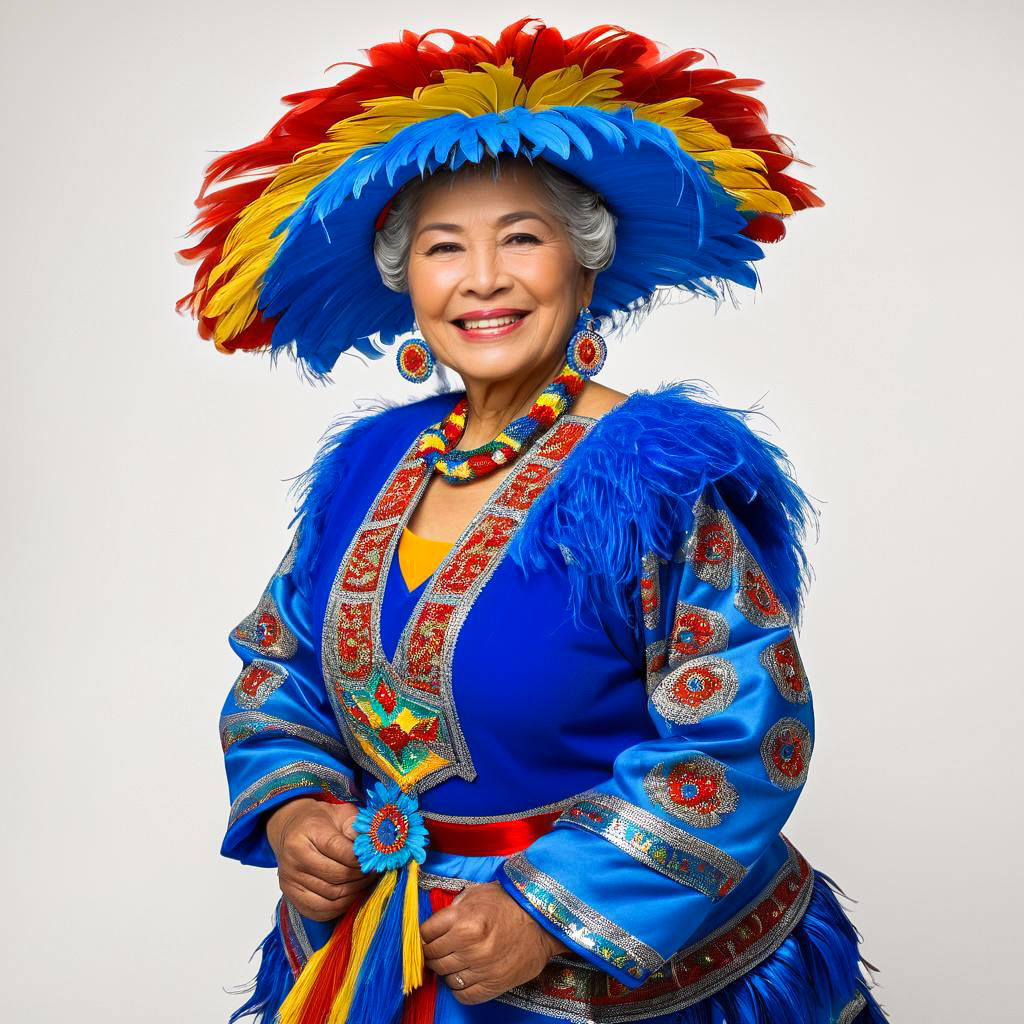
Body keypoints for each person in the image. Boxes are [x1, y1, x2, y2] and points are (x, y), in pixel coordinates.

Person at [179, 18, 887, 1024]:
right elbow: (279, 661)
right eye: (442, 246)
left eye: (521, 236)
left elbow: (741, 731)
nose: (482, 279)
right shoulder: (365, 466)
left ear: (585, 266)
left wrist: (551, 910)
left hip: (634, 985)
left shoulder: (655, 476)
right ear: (406, 280)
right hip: (385, 960)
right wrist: (296, 809)